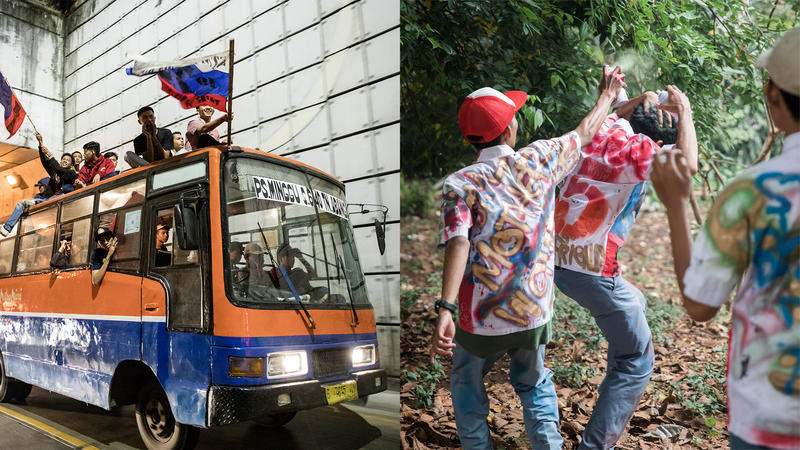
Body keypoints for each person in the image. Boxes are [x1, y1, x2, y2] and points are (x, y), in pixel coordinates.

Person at [430, 66, 626, 449]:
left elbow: (458, 242)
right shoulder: (539, 159)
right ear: (509, 130)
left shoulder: (460, 183)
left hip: (480, 318)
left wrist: (446, 309)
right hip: (532, 310)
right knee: (534, 382)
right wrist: (608, 94)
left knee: (466, 382)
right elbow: (585, 132)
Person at [650, 27, 800, 450]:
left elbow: (700, 305)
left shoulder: (750, 192)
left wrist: (677, 204)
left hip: (770, 416)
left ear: (772, 94)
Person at [552, 85, 697, 449]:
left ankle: (617, 373)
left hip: (557, 263)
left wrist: (635, 99)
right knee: (637, 359)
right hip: (595, 274)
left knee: (636, 304)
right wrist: (685, 110)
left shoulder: (601, 130)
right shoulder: (640, 152)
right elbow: (688, 165)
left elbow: (617, 113)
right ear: (659, 143)